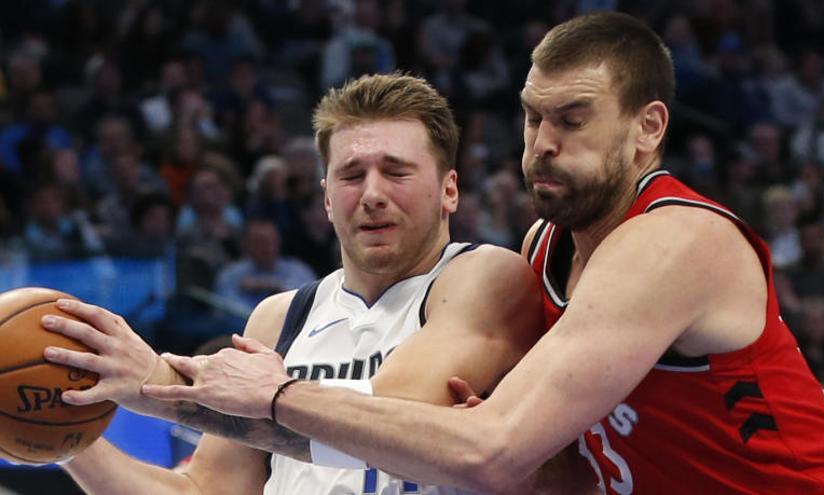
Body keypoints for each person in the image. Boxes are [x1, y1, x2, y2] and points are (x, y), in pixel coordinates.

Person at [132, 12, 824, 494]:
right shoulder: (545, 246)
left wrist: (280, 392)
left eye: (573, 119)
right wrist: (125, 393)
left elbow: (488, 450)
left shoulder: (673, 241)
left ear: (649, 127)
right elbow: (550, 473)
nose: (544, 144)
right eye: (531, 118)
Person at [40, 73, 548, 493]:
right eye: (351, 175)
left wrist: (156, 381)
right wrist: (60, 435)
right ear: (327, 198)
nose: (372, 193)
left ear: (449, 190)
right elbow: (201, 490)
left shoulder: (485, 275)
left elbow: (394, 416)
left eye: (396, 172)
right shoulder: (279, 316)